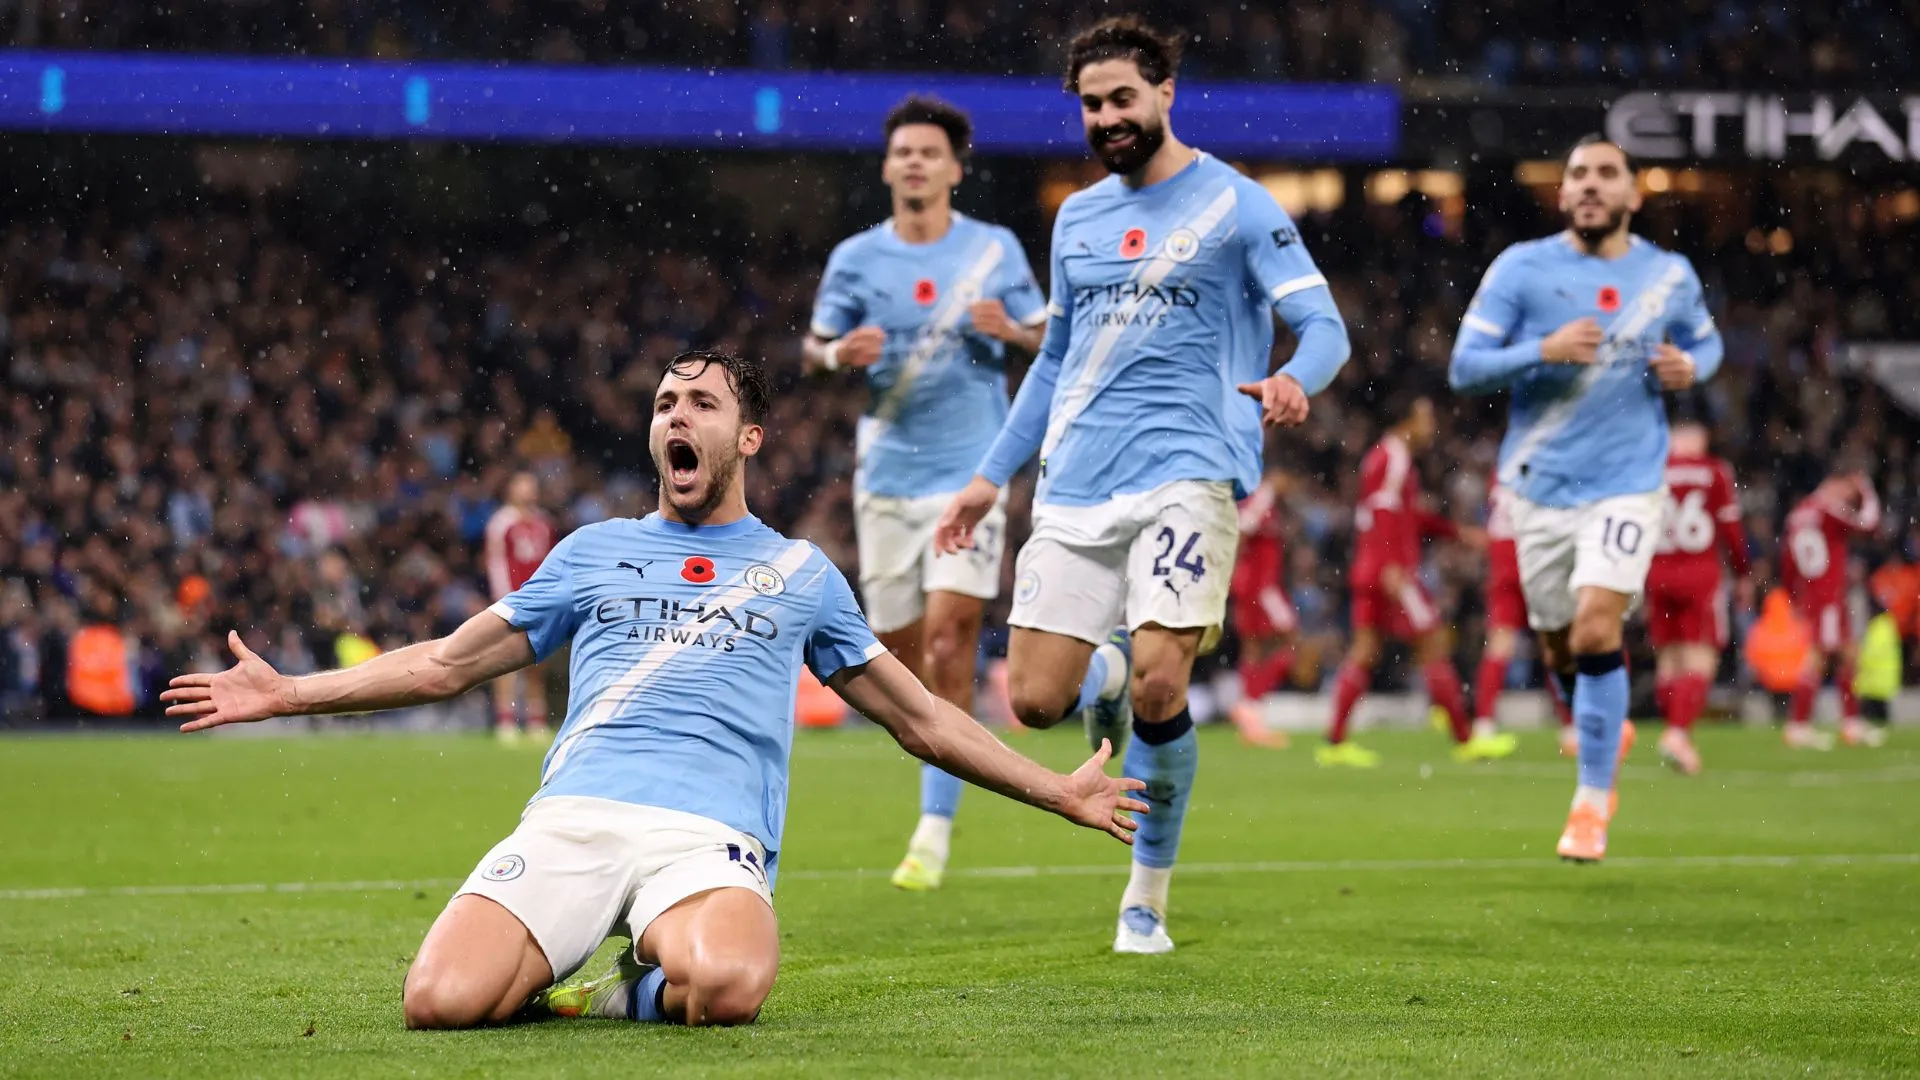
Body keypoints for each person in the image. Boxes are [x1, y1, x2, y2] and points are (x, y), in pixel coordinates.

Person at [163, 350, 1146, 1030]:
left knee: (727, 989)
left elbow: (920, 718)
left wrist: (1057, 791)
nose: (677, 416)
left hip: (707, 838)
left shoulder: (801, 573)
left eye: (702, 404)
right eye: (666, 403)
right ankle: (569, 965)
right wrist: (291, 694)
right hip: (573, 820)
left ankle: (625, 991)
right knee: (438, 1002)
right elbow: (447, 662)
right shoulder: (593, 551)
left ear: (748, 438)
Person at [934, 16, 1351, 953]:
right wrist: (987, 479)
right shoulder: (1077, 218)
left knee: (1166, 681)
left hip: (1190, 472)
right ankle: (1108, 675)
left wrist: (1295, 379)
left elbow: (1325, 327)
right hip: (1077, 479)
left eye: (1123, 98)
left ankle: (1145, 898)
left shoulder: (1238, 204)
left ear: (1166, 94)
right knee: (1035, 702)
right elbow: (1054, 363)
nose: (1108, 117)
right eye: (1092, 104)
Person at [1449, 135, 1723, 863]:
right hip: (1539, 487)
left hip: (1629, 484)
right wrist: (1540, 350)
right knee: (1561, 645)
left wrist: (1692, 366)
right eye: (1578, 175)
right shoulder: (1521, 268)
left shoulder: (1668, 276)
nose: (1591, 185)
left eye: (1607, 174)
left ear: (1634, 192)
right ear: (1563, 192)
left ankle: (1591, 804)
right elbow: (1464, 368)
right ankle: (1605, 723)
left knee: (1599, 628)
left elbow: (1708, 344)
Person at [803, 95, 1048, 894]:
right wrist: (836, 355)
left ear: (954, 169)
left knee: (949, 641)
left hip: (968, 475)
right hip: (886, 479)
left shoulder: (994, 249)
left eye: (929, 153)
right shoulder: (856, 259)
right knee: (901, 667)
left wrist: (1013, 333)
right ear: (887, 167)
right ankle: (941, 771)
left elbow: (1052, 338)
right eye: (903, 151)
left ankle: (934, 830)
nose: (914, 163)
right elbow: (811, 351)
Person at [1317, 391, 1509, 767]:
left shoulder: (1384, 457)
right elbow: (1383, 510)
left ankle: (1335, 742)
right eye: (1425, 417)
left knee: (1365, 650)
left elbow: (1408, 515)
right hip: (1391, 571)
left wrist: (1458, 533)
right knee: (1432, 642)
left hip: (1369, 568)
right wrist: (1391, 564)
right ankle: (1465, 738)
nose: (1430, 425)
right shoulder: (1394, 457)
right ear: (1406, 420)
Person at [1642, 420, 1750, 773]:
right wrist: (1743, 571)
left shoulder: (1652, 471)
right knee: (1701, 658)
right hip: (1699, 574)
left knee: (1669, 660)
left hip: (1658, 573)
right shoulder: (1715, 471)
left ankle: (1676, 735)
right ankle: (1678, 734)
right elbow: (1731, 528)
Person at [1471, 476, 1577, 755]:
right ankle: (1570, 728)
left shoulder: (1501, 472)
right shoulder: (1546, 467)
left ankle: (1483, 726)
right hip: (1537, 560)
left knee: (1499, 645)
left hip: (1504, 561)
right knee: (1553, 645)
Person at [1779, 471, 1882, 749]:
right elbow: (1869, 525)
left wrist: (1794, 595)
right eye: (1847, 491)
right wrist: (1868, 491)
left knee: (1847, 655)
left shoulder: (1798, 513)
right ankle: (1799, 725)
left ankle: (1850, 723)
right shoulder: (1828, 508)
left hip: (1813, 593)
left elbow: (1787, 560)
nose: (1849, 497)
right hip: (1827, 595)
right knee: (1819, 657)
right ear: (1834, 484)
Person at [1225, 466, 1297, 748]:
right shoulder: (1263, 496)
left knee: (1253, 648)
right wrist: (1231, 568)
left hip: (1249, 586)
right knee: (1291, 641)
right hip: (1262, 588)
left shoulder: (1260, 498)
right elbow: (1244, 529)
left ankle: (1250, 718)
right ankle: (1252, 704)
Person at [484, 471, 557, 744]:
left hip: (540, 597)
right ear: (511, 490)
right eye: (523, 486)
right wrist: (504, 596)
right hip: (513, 597)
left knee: (538, 658)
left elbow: (551, 561)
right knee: (506, 660)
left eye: (531, 486)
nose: (528, 491)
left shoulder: (544, 522)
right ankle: (505, 718)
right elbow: (496, 561)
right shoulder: (502, 522)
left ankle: (536, 718)